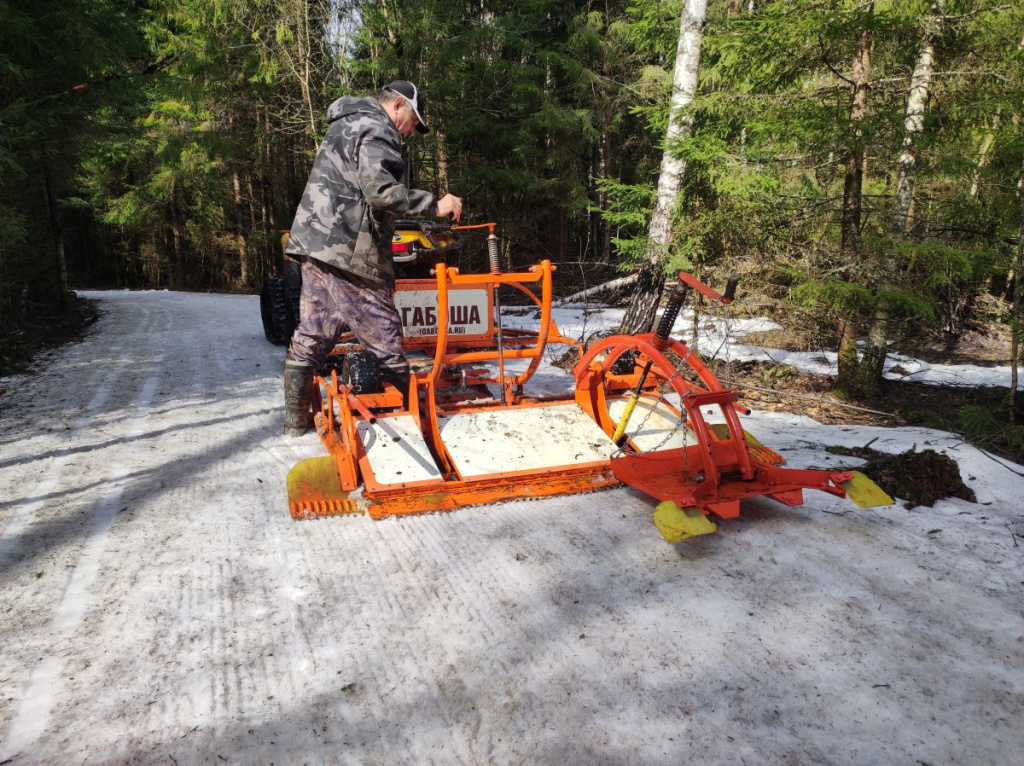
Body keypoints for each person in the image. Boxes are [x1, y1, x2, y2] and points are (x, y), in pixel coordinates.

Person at [282, 80, 462, 436]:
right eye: (414, 121)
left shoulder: (346, 122)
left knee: (314, 332)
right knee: (384, 336)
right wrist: (435, 204)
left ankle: (294, 427)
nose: (412, 131)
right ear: (397, 104)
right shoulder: (378, 129)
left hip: (316, 243)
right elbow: (379, 191)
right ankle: (413, 432)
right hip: (350, 248)